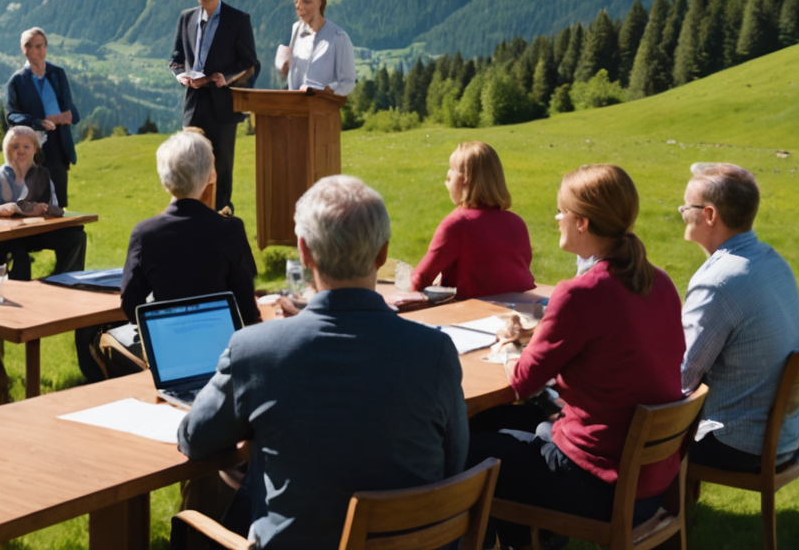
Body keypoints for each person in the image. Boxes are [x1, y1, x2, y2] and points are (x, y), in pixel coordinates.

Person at [180, 175, 468, 548]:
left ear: (304, 251)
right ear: (382, 254)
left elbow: (194, 438)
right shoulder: (436, 352)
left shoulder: (254, 351)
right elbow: (453, 463)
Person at [469, 164, 685, 545]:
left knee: (465, 451)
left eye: (561, 210)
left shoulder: (581, 294)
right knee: (507, 429)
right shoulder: (660, 282)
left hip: (600, 484)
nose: (556, 217)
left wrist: (506, 345)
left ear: (582, 222)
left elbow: (522, 382)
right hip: (649, 482)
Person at [679, 162, 799, 473]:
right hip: (783, 437)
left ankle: (629, 518)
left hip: (738, 443)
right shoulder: (772, 261)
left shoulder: (719, 282)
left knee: (628, 433)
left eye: (687, 207)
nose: (682, 212)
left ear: (709, 215)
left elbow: (682, 378)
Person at [120, 130, 260, 327]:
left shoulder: (145, 233)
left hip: (168, 345)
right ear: (211, 175)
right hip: (221, 341)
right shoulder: (229, 229)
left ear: (163, 177)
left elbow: (131, 305)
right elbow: (247, 309)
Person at [167, 0, 258, 212]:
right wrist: (180, 75)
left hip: (223, 107)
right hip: (193, 104)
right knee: (189, 164)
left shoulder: (238, 20)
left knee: (221, 169)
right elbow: (175, 59)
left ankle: (222, 221)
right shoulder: (186, 18)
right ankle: (189, 219)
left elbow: (249, 64)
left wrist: (225, 78)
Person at [404, 141, 535, 301]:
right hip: (521, 310)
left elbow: (421, 277)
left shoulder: (458, 223)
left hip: (474, 315)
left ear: (464, 181)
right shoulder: (517, 222)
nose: (447, 175)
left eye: (452, 169)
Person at [0, 126, 87, 278]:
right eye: (15, 146)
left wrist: (45, 209)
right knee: (19, 255)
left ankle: (65, 282)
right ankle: (22, 294)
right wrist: (13, 209)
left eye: (26, 146)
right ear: (6, 150)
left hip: (38, 232)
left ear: (35, 150)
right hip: (9, 237)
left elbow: (54, 207)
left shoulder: (43, 176)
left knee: (76, 236)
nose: (21, 151)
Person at [4, 27, 79, 208]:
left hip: (59, 143)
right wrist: (37, 122)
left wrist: (65, 116)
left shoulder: (57, 74)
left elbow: (68, 106)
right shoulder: (17, 81)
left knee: (58, 204)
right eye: (37, 47)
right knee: (34, 202)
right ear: (25, 50)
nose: (42, 51)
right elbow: (11, 115)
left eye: (43, 46)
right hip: (33, 147)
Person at [276, 0, 357, 95]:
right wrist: (284, 66)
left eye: (307, 2)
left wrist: (329, 91)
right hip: (294, 107)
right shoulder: (297, 31)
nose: (299, 7)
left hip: (323, 109)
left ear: (320, 2)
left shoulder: (338, 37)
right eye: (297, 2)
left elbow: (348, 82)